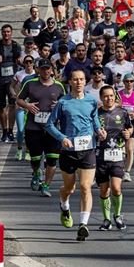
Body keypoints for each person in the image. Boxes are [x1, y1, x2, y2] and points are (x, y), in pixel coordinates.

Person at [45, 69, 105, 242]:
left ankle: (83, 225)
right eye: (75, 79)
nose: (79, 82)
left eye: (81, 79)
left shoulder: (91, 101)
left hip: (87, 150)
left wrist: (99, 132)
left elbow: (94, 121)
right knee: (69, 188)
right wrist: (62, 138)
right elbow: (50, 125)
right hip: (68, 151)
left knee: (86, 187)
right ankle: (64, 206)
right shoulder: (63, 103)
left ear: (85, 81)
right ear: (70, 82)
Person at [16, 59, 65, 197]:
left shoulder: (59, 86)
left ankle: (46, 185)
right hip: (33, 127)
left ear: (52, 70)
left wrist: (59, 106)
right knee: (35, 158)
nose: (45, 71)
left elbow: (66, 103)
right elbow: (19, 99)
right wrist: (28, 106)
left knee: (52, 159)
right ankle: (37, 173)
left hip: (52, 128)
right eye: (43, 69)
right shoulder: (30, 83)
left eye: (48, 68)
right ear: (38, 70)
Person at [96, 85, 133, 230]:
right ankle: (106, 220)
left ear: (115, 97)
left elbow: (130, 127)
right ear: (101, 98)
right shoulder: (96, 113)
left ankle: (117, 215)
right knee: (104, 190)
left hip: (117, 155)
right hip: (101, 156)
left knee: (116, 188)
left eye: (111, 96)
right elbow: (91, 129)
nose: (109, 98)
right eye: (105, 96)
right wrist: (98, 134)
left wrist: (128, 133)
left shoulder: (122, 113)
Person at [0, 25, 22, 142]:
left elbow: (21, 59)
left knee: (12, 105)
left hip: (12, 82)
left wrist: (20, 61)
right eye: (4, 32)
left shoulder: (16, 46)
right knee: (1, 107)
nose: (6, 34)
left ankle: (11, 131)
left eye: (8, 32)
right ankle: (4, 131)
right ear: (1, 33)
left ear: (11, 33)